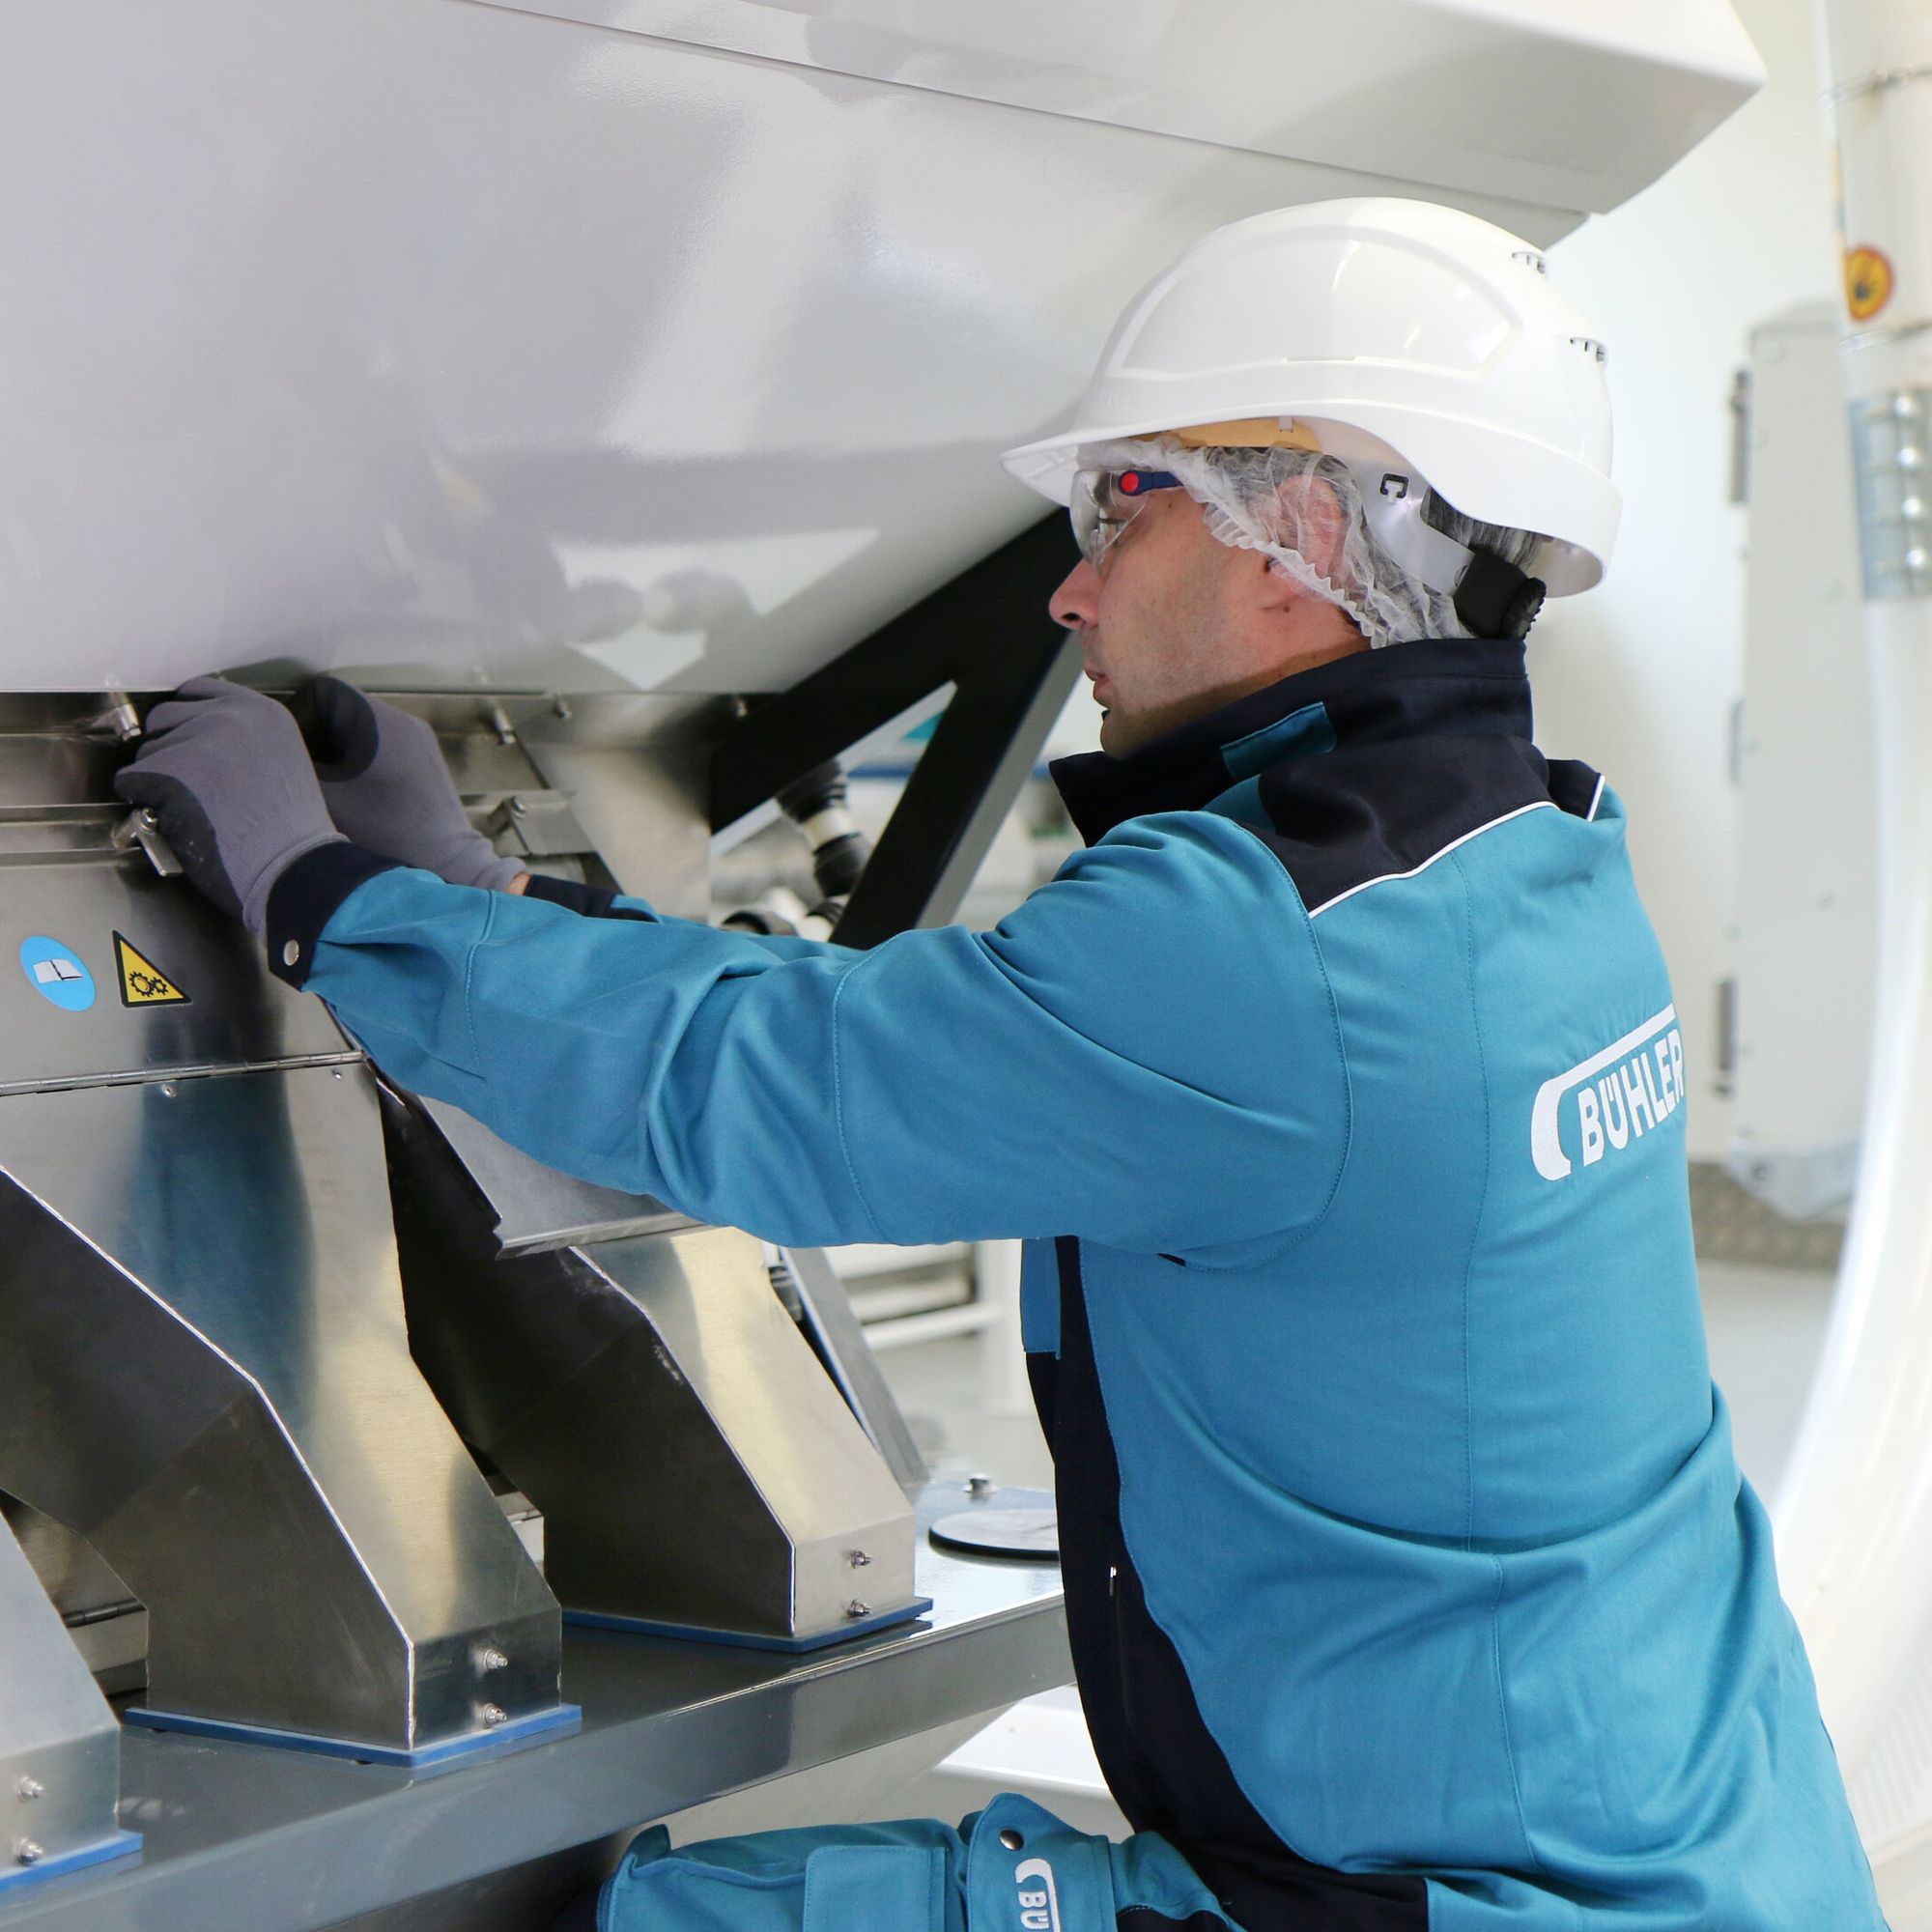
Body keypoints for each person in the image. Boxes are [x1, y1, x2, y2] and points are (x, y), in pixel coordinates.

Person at [117, 200, 1886, 1930]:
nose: (1065, 584)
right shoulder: (1540, 859)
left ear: (1303, 541)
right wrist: (492, 901)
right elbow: (932, 1053)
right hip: (1711, 1849)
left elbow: (782, 1084)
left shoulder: (1274, 947)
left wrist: (340, 904)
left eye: (1127, 505)